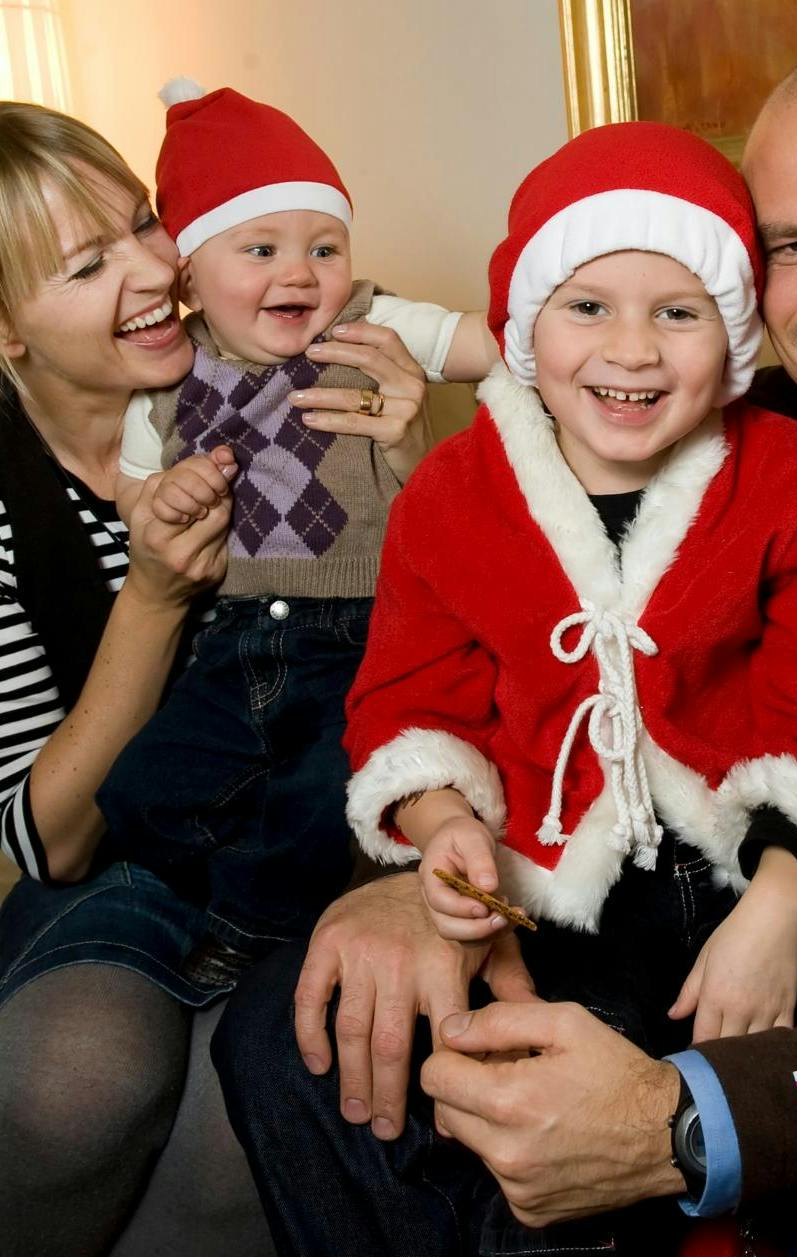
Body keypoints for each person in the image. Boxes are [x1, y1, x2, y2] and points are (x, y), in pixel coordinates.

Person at [213, 36, 797, 1257]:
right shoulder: (745, 406)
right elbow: (423, 684)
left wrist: (692, 1112)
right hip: (574, 891)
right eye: (795, 243)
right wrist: (429, 858)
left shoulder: (772, 469)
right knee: (293, 1028)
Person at [0, 99, 429, 1257]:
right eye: (90, 264)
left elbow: (424, 628)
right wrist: (151, 598)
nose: (154, 266)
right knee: (74, 1071)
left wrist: (405, 461)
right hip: (124, 861)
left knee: (258, 1113)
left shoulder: (291, 351)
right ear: (6, 331)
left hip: (305, 836)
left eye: (143, 222)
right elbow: (40, 844)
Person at [97, 82, 496, 985]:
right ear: (191, 274)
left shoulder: (368, 323)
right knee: (137, 791)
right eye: (261, 248)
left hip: (367, 630)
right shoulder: (168, 381)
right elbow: (133, 494)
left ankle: (257, 923)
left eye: (325, 245)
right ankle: (243, 874)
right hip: (235, 640)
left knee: (325, 793)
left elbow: (491, 343)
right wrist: (161, 501)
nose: (301, 272)